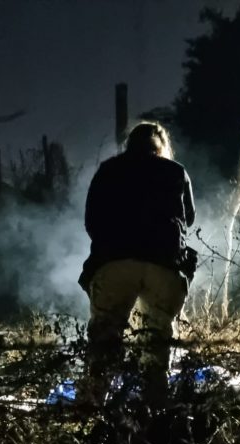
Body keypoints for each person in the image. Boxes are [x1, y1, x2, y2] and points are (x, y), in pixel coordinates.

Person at [78, 121, 196, 406]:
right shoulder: (176, 171)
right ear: (161, 147)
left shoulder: (108, 170)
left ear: (129, 145)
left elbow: (91, 222)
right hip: (163, 265)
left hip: (115, 262)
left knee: (105, 340)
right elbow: (189, 219)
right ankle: (156, 409)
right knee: (156, 339)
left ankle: (91, 408)